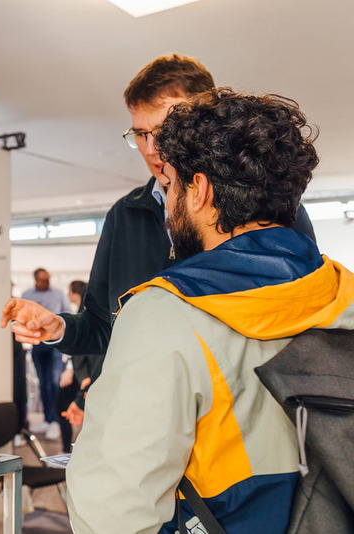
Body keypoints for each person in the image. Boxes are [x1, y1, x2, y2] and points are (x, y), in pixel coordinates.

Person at [24, 89, 354, 532]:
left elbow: (115, 510)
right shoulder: (343, 291)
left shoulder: (164, 314)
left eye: (174, 183)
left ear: (199, 190)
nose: (168, 204)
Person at [3, 54, 316, 427]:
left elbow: (302, 319)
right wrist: (60, 329)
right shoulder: (124, 215)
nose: (151, 148)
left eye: (165, 128)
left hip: (242, 420)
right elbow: (104, 324)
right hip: (144, 417)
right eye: (140, 134)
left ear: (205, 120)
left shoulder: (268, 206)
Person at [20, 268, 69, 441]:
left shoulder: (58, 293)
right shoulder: (27, 295)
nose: (47, 283)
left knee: (55, 382)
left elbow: (68, 314)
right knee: (43, 383)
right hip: (37, 343)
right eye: (43, 280)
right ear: (36, 280)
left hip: (55, 343)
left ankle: (56, 421)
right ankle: (48, 419)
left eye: (48, 279)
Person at [54, 279, 87, 452]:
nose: (67, 295)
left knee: (61, 407)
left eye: (69, 291)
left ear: (75, 293)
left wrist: (70, 368)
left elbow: (81, 346)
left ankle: (66, 449)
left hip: (81, 371)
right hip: (80, 370)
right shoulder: (82, 311)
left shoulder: (85, 312)